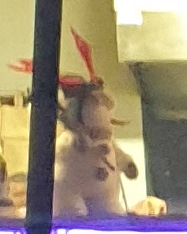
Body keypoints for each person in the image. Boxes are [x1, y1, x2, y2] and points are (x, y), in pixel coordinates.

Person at [53, 76, 142, 217]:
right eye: (94, 133)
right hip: (72, 186)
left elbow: (118, 154)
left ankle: (110, 213)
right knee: (70, 209)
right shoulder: (66, 144)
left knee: (108, 211)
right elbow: (58, 161)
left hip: (104, 191)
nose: (102, 138)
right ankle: (72, 215)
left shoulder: (109, 144)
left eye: (106, 133)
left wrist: (127, 164)